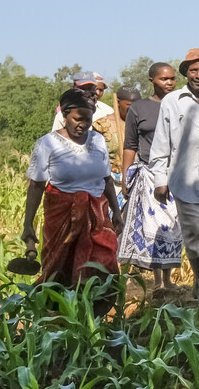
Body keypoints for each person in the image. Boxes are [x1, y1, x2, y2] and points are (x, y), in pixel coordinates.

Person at [22, 88, 124, 306]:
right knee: (60, 266)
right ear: (65, 115)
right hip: (62, 215)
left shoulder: (97, 141)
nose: (84, 124)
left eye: (88, 120)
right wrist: (28, 223)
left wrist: (116, 212)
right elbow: (37, 186)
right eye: (78, 119)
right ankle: (56, 314)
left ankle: (95, 315)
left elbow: (106, 178)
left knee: (103, 262)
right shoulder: (47, 144)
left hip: (97, 215)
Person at [148, 48, 199, 309]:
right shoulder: (173, 101)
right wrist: (160, 179)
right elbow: (161, 142)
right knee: (194, 236)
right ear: (186, 73)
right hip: (184, 180)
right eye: (194, 70)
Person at [117, 62, 181, 290]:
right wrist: (125, 176)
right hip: (150, 174)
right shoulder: (139, 109)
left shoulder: (182, 104)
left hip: (177, 175)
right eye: (164, 79)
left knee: (173, 227)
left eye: (172, 78)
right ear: (151, 80)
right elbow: (130, 145)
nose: (169, 83)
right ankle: (158, 281)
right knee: (155, 227)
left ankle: (169, 278)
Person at [51, 70, 121, 171]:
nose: (87, 91)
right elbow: (55, 143)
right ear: (74, 88)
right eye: (83, 88)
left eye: (90, 88)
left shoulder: (107, 111)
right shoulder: (64, 113)